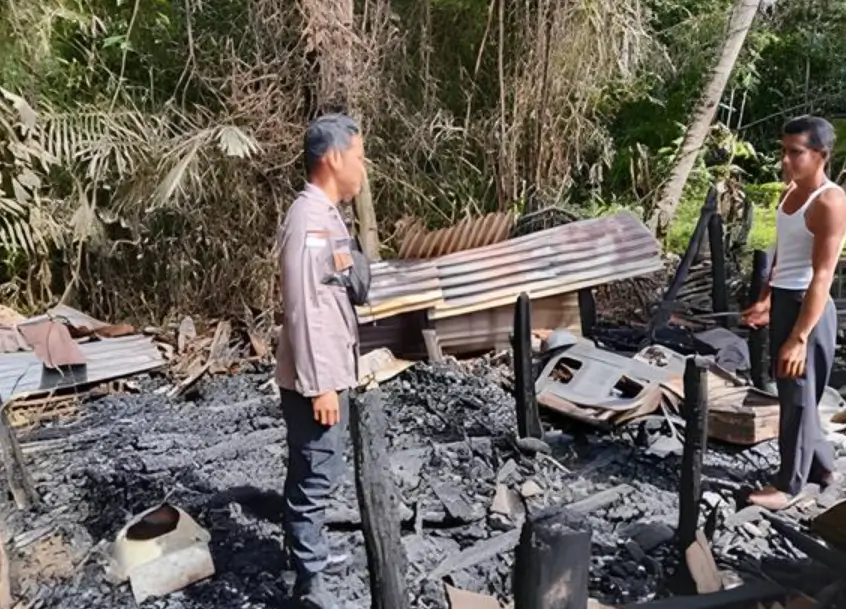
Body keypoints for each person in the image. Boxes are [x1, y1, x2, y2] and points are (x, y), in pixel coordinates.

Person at [276, 113, 366, 608]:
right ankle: (310, 583)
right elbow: (305, 306)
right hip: (317, 378)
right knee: (316, 473)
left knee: (315, 467)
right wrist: (320, 385)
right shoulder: (309, 218)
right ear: (333, 158)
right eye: (359, 157)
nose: (362, 168)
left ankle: (308, 554)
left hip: (327, 370)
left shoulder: (327, 216)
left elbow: (339, 287)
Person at [742, 115, 846, 511]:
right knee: (794, 393)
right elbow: (783, 252)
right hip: (787, 300)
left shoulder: (830, 202)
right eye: (783, 151)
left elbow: (823, 275)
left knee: (799, 399)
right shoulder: (790, 192)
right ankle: (823, 468)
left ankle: (789, 486)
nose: (785, 160)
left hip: (809, 309)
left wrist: (799, 337)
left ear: (821, 155)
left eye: (796, 152)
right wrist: (767, 299)